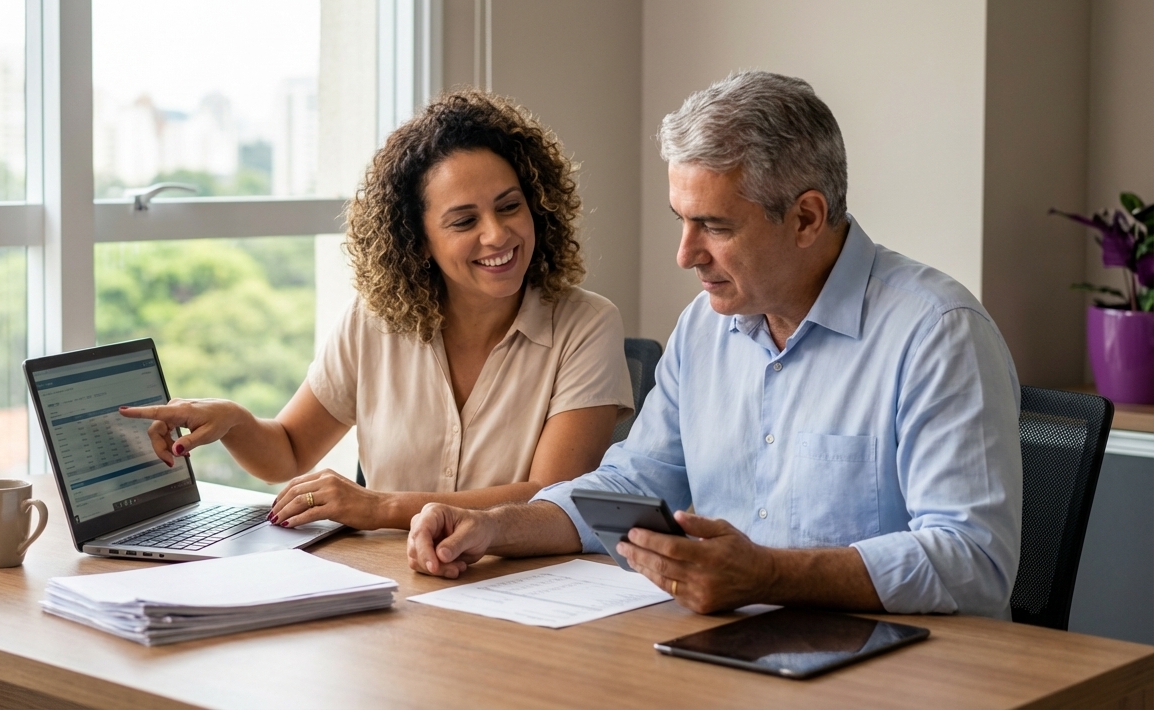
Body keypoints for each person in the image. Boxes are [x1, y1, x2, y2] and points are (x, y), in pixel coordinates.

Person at [406, 71, 1023, 619]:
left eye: (715, 226)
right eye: (682, 219)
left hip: (898, 670)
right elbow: (631, 487)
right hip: (734, 652)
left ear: (807, 218)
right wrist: (492, 527)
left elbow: (974, 560)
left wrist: (769, 575)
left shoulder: (937, 332)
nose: (686, 254)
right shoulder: (704, 327)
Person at [121, 90, 634, 531]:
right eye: (463, 221)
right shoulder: (373, 322)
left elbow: (551, 497)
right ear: (419, 240)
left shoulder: (587, 325)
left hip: (521, 586)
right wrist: (234, 421)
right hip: (394, 582)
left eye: (509, 206)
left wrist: (380, 506)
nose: (497, 234)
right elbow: (289, 451)